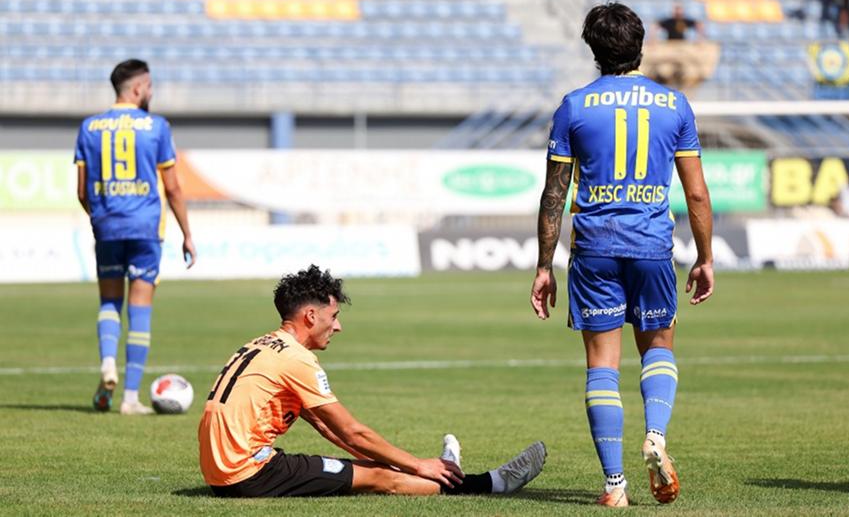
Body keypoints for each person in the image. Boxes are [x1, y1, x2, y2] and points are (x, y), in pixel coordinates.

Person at [530, 3, 714, 507]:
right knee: (658, 349)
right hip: (652, 245)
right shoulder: (674, 104)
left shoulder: (573, 106)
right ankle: (655, 435)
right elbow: (697, 194)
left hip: (594, 248)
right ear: (641, 45)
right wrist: (705, 256)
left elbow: (553, 195)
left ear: (593, 50)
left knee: (601, 366)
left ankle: (615, 487)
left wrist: (544, 266)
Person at [199, 265, 546, 498]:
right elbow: (353, 432)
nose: (338, 326)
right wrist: (417, 465)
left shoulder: (262, 345)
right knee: (380, 478)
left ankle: (446, 472)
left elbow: (325, 426)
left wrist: (392, 461)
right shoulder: (296, 360)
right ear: (310, 315)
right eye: (334, 316)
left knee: (370, 469)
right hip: (249, 474)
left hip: (223, 470)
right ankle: (492, 483)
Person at [75, 59, 196, 415]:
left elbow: (81, 190)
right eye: (150, 86)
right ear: (139, 88)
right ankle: (130, 398)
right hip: (145, 228)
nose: (151, 92)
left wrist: (101, 218)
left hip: (107, 226)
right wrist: (187, 234)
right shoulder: (156, 126)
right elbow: (172, 188)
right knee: (140, 307)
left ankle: (107, 363)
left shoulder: (89, 127)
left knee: (109, 302)